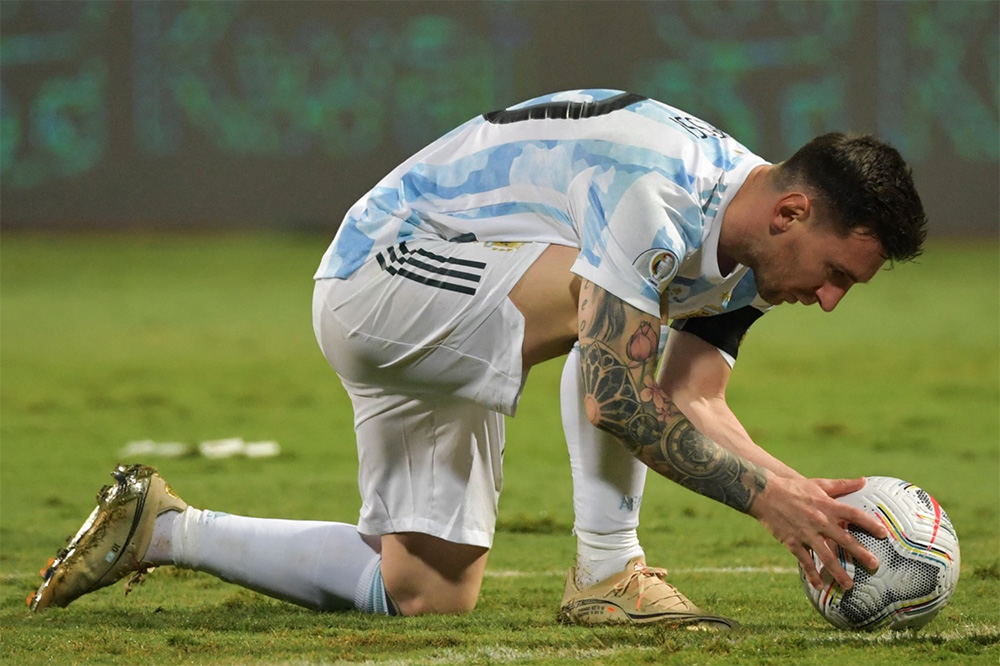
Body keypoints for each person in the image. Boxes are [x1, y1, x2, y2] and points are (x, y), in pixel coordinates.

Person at [29, 89, 926, 630]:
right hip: (384, 276)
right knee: (617, 309)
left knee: (424, 589)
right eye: (836, 275)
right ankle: (608, 572)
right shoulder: (662, 194)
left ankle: (163, 529)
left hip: (468, 301)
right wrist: (768, 502)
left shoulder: (753, 245)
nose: (830, 300)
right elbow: (617, 395)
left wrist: (807, 499)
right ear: (792, 214)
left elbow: (692, 395)